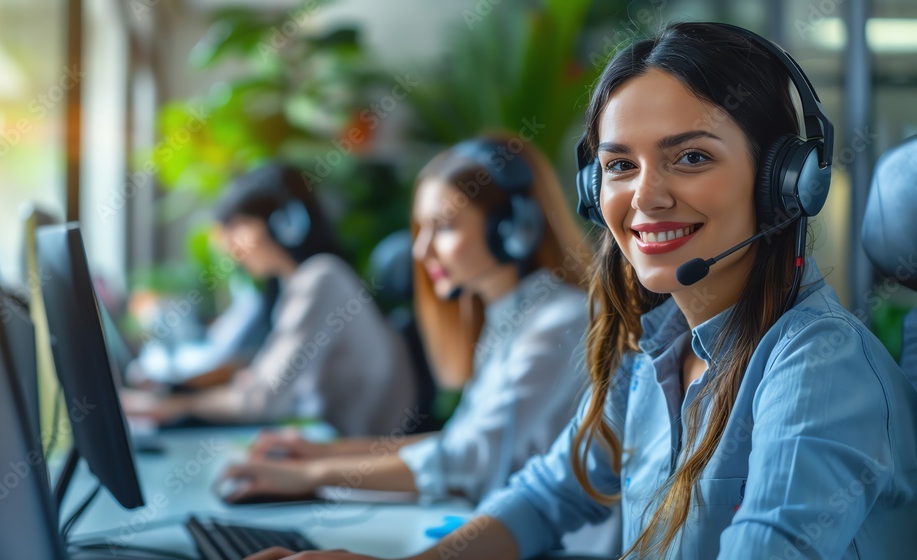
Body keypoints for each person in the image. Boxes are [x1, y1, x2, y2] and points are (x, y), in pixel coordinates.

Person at [243, 22, 917, 560]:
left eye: (692, 157)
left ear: (785, 183)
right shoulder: (651, 349)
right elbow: (546, 495)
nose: (645, 197)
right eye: (620, 165)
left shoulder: (818, 369)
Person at [217, 134, 592, 505]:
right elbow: (457, 441)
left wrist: (308, 477)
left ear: (511, 229)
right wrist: (319, 454)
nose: (420, 249)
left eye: (443, 227)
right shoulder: (507, 318)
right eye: (419, 228)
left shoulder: (560, 321)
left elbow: (470, 459)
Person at [121, 162, 416, 437]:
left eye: (237, 225)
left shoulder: (321, 279)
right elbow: (267, 385)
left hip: (358, 460)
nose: (229, 245)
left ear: (284, 223)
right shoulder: (298, 287)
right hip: (334, 446)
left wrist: (174, 407)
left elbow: (262, 400)